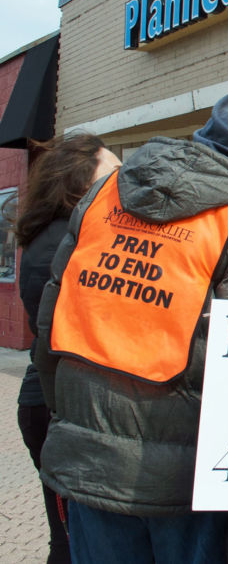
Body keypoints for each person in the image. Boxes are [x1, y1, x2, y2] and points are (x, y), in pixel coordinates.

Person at [35, 92, 228, 563]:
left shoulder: (104, 194)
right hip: (186, 483)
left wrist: (71, 419)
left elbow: (51, 325)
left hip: (89, 463)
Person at [12, 133, 120, 564]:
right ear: (78, 177)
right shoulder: (68, 240)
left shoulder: (55, 233)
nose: (120, 179)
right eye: (111, 170)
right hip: (58, 404)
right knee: (73, 534)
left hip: (52, 399)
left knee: (73, 529)